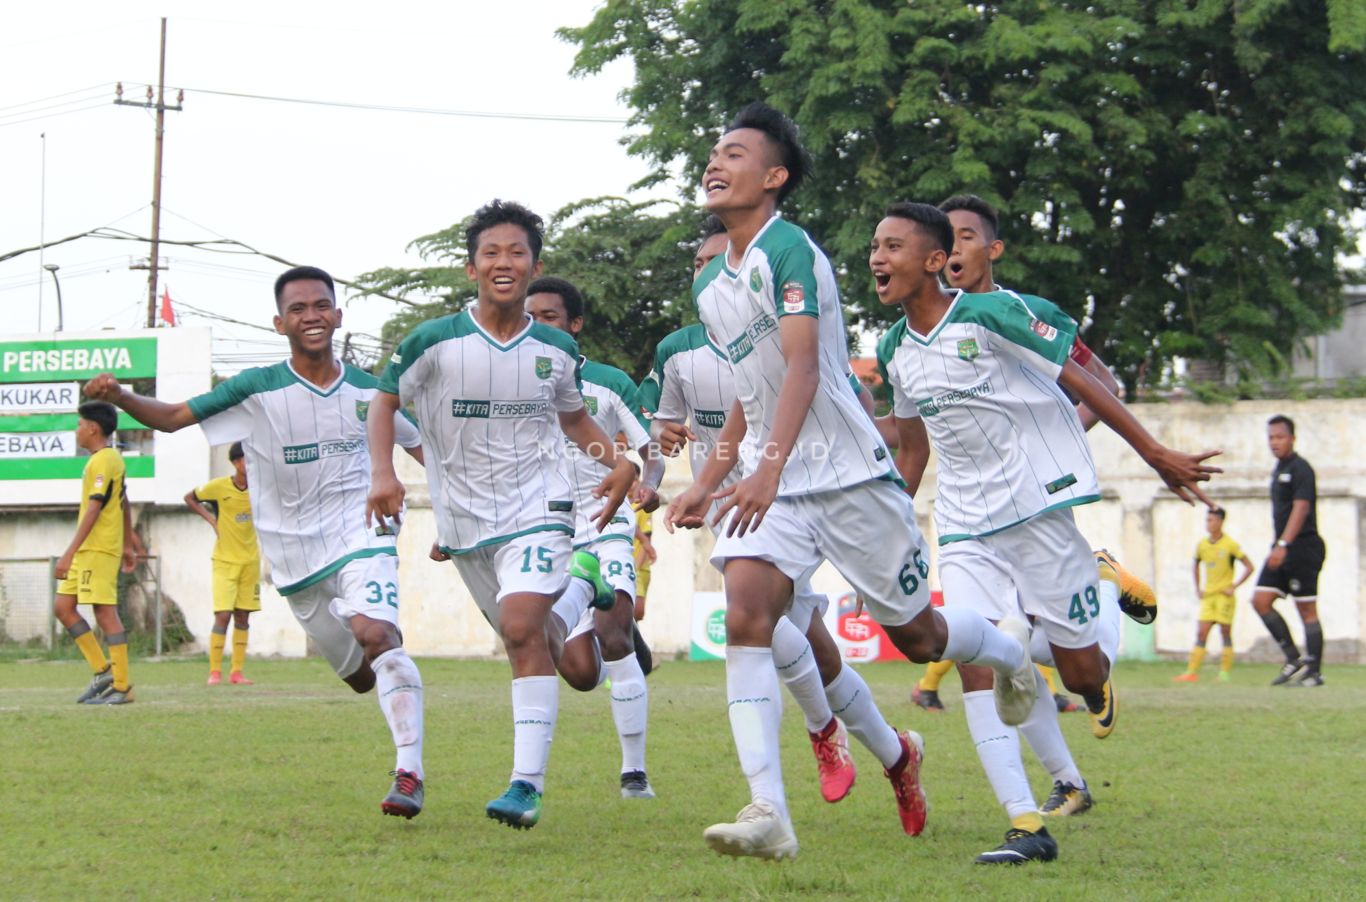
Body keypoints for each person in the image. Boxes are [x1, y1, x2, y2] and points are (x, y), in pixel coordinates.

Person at [666, 104, 1038, 862]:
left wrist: (763, 470)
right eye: (713, 152)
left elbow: (803, 367)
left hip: (848, 476)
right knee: (747, 614)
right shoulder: (714, 288)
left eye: (734, 153)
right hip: (774, 481)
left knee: (919, 634)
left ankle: (1009, 656)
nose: (715, 162)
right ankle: (768, 808)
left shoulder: (790, 252)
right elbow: (751, 389)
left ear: (773, 178)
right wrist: (711, 477)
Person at [870, 201, 1219, 863]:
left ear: (935, 261)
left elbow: (1082, 377)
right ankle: (1026, 823)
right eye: (875, 247)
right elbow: (912, 452)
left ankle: (1104, 587)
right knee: (978, 658)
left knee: (1084, 673)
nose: (878, 259)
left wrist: (1152, 450)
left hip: (1038, 511)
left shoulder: (992, 313)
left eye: (893, 247)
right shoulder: (894, 350)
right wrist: (892, 532)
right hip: (966, 521)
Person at [84, 265, 430, 819]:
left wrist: (459, 517)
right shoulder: (257, 389)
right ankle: (388, 681)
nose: (311, 316)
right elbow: (173, 418)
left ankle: (409, 771)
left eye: (321, 306)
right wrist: (122, 395)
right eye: (298, 309)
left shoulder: (372, 392)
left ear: (337, 316)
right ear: (279, 323)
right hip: (295, 558)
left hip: (362, 530)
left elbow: (424, 451)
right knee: (363, 677)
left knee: (378, 633)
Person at [642, 216, 924, 834]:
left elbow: (834, 395)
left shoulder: (798, 329)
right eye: (703, 265)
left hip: (820, 484)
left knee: (895, 639)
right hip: (749, 498)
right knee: (759, 624)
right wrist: (691, 478)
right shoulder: (684, 348)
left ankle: (861, 740)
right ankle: (781, 795)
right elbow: (668, 420)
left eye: (726, 260)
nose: (716, 275)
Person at [367, 200, 637, 831]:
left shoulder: (554, 348)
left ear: (534, 264)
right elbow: (383, 402)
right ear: (471, 268)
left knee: (520, 629)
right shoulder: (432, 342)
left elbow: (574, 420)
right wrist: (385, 474)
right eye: (491, 253)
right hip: (465, 523)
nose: (504, 263)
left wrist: (618, 460)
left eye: (517, 252)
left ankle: (525, 786)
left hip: (540, 506)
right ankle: (580, 591)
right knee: (539, 642)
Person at [525, 274, 664, 800]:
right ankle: (625, 630)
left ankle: (634, 775)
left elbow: (649, 452)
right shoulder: (511, 382)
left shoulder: (608, 383)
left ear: (575, 326)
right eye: (530, 316)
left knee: (613, 637)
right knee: (582, 673)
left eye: (550, 317)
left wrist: (647, 489)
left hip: (606, 526)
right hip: (547, 534)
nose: (537, 326)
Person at [54, 401, 139, 705]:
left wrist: (68, 552)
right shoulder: (103, 460)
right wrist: (129, 541)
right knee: (63, 607)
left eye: (79, 424)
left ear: (92, 427)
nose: (77, 430)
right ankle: (103, 671)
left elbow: (97, 505)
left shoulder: (105, 459)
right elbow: (123, 498)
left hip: (98, 548)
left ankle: (122, 685)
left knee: (105, 612)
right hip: (90, 549)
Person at [1251, 415, 1327, 687]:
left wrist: (1283, 544)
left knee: (1306, 608)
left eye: (1279, 437)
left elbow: (1301, 507)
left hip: (1302, 546)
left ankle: (1314, 672)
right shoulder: (1277, 469)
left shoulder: (1301, 468)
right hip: (1280, 546)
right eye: (1270, 437)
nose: (1274, 442)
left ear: (1292, 438)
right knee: (1260, 601)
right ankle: (1293, 658)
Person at [184, 441, 260, 686]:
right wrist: (211, 519)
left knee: (243, 616)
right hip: (225, 561)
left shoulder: (260, 488)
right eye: (243, 460)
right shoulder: (219, 487)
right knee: (223, 615)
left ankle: (237, 671)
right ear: (236, 463)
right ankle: (214, 671)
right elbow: (190, 497)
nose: (247, 464)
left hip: (250, 561)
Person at [1177, 507, 1254, 682]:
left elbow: (1249, 566)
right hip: (1208, 596)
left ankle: (1224, 673)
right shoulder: (1202, 545)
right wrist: (1198, 587)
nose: (1208, 524)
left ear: (1220, 522)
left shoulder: (1230, 545)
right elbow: (1195, 564)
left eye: (1211, 520)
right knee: (1201, 633)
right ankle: (1191, 672)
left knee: (1225, 633)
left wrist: (1234, 586)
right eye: (1207, 520)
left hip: (1224, 596)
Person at [632, 502, 655, 622]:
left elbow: (646, 538)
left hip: (637, 568)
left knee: (638, 611)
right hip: (624, 565)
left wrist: (636, 568)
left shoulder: (641, 506)